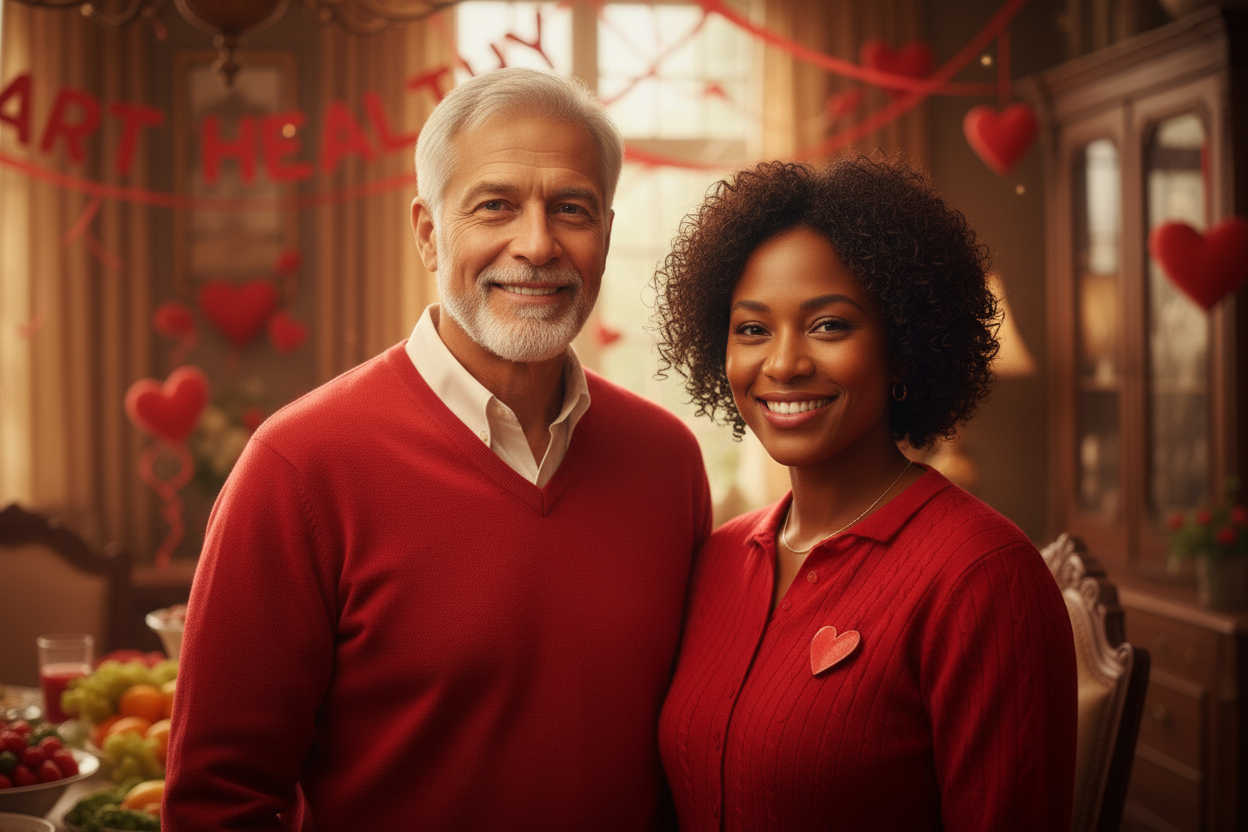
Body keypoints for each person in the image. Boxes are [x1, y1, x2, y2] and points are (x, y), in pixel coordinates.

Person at [164, 67, 712, 831]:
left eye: (572, 210)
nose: (537, 244)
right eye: (495, 206)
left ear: (607, 235)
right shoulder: (297, 467)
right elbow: (220, 802)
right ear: (428, 232)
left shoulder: (669, 462)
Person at [652, 157, 1077, 831]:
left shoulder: (983, 578)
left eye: (829, 326)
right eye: (753, 328)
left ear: (903, 347)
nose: (784, 363)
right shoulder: (716, 560)